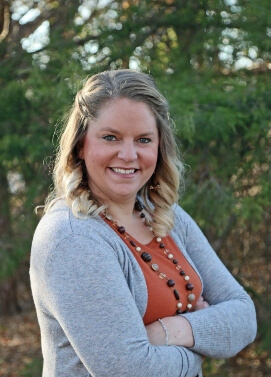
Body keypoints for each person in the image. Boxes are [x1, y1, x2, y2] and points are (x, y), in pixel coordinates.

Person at [30, 69, 257, 377]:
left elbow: (244, 316)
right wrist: (201, 348)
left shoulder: (165, 215)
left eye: (143, 139)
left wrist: (170, 331)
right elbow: (130, 370)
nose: (128, 154)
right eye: (110, 137)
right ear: (81, 145)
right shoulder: (72, 238)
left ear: (159, 147)